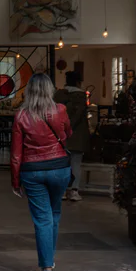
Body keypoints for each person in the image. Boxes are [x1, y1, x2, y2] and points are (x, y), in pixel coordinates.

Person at [10, 73, 73, 271]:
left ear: (29, 91)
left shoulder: (21, 115)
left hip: (33, 171)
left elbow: (16, 153)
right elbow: (67, 134)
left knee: (43, 220)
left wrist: (15, 181)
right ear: (50, 89)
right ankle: (49, 263)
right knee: (54, 214)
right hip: (59, 169)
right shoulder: (61, 110)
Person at [54, 70, 90, 201]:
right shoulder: (81, 96)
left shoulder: (58, 95)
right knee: (75, 163)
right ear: (78, 82)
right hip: (77, 134)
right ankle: (74, 191)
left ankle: (62, 190)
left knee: (62, 163)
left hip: (59, 134)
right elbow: (79, 115)